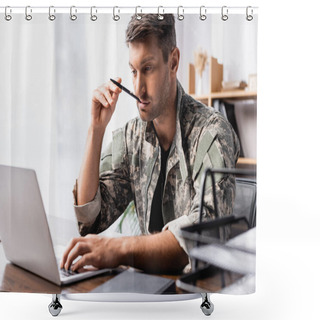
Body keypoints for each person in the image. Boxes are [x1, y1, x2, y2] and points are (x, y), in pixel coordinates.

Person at [60, 14, 240, 275]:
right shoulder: (131, 136)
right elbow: (90, 219)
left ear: (173, 61)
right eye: (133, 71)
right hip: (146, 292)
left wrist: (119, 249)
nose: (138, 88)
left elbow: (203, 236)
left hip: (195, 296)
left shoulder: (212, 133)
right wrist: (95, 130)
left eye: (148, 69)